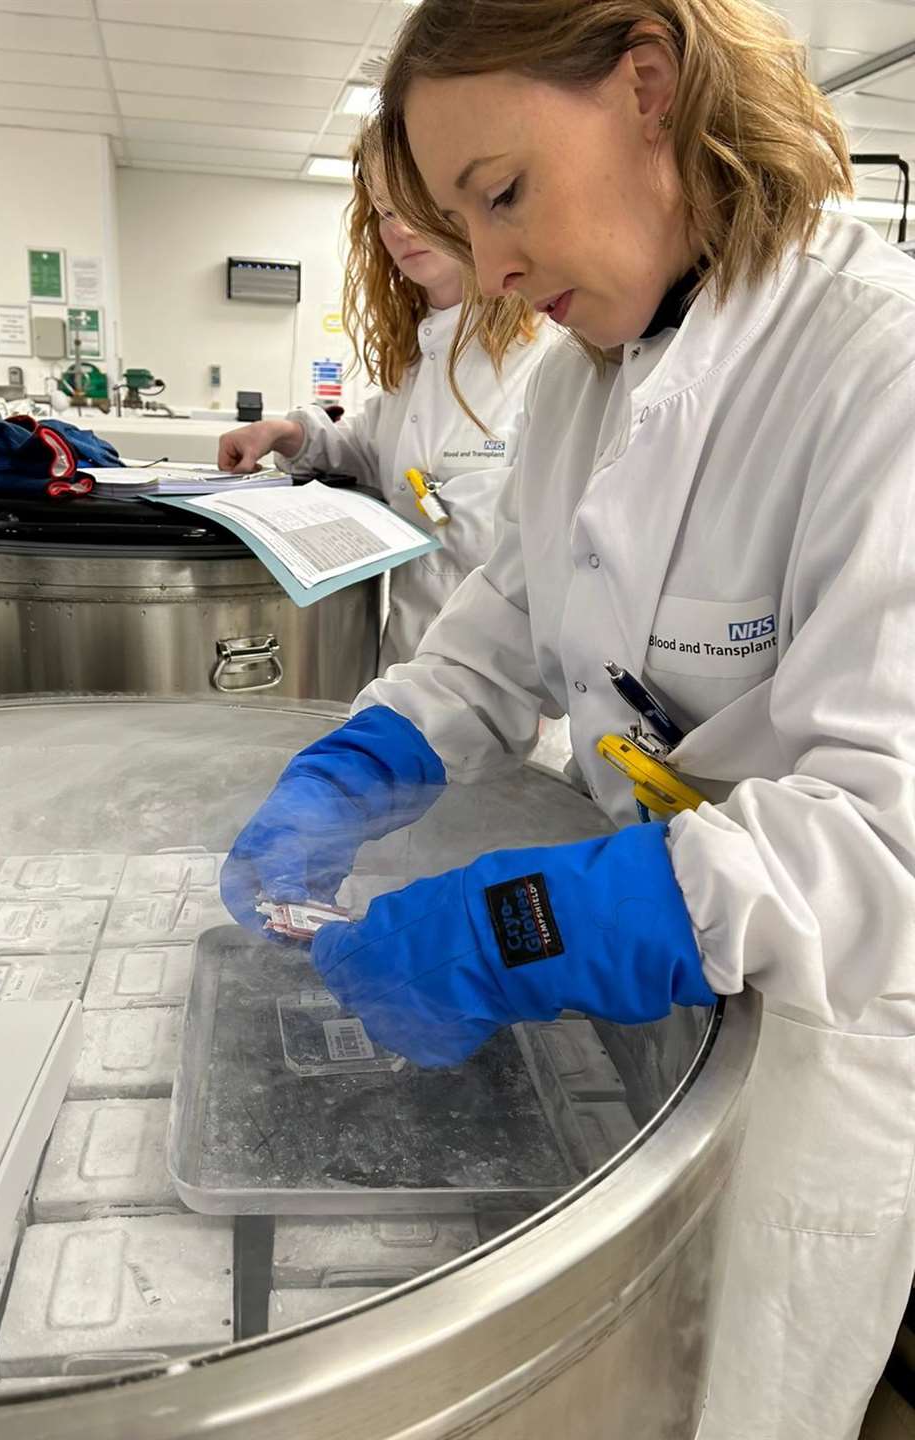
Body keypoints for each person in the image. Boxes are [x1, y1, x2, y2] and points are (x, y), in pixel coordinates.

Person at [220, 1, 915, 1436]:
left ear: (648, 89)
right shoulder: (582, 387)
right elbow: (494, 638)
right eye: (465, 224)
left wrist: (527, 927)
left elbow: (886, 841)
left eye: (503, 193)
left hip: (822, 1030)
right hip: (655, 997)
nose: (492, 267)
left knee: (731, 1404)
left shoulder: (877, 368)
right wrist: (357, 768)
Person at [217, 119, 556, 673]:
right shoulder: (415, 358)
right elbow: (376, 457)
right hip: (408, 664)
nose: (401, 229)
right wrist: (289, 433)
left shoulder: (545, 354)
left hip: (517, 688)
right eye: (386, 211)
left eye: (418, 203)